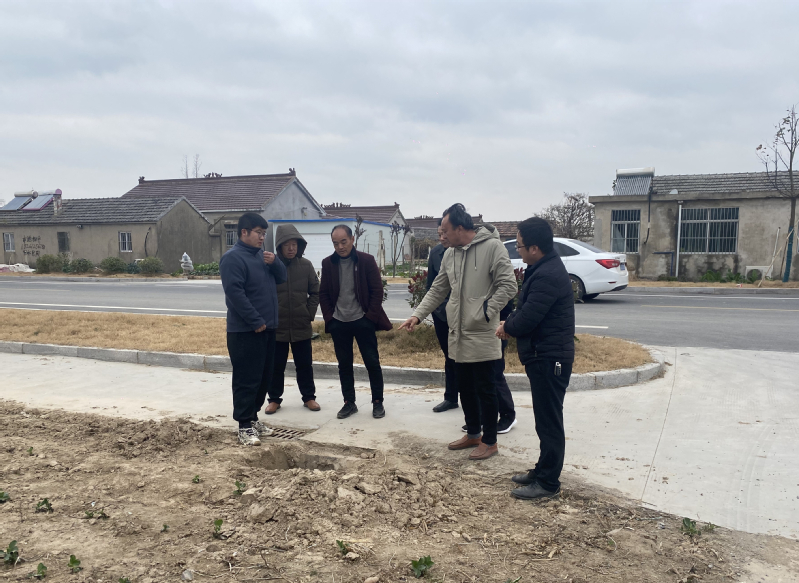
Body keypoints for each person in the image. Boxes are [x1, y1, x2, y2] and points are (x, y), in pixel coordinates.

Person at [400, 204, 517, 460]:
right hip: (457, 333)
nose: (442, 235)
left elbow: (508, 285)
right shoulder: (450, 254)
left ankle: (490, 442)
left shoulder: (493, 247)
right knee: (464, 386)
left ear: (460, 228)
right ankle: (473, 433)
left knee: (486, 389)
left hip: (482, 333)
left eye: (445, 230)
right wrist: (417, 315)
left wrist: (485, 311)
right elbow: (438, 288)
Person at [496, 217, 575, 500]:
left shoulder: (547, 274)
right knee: (544, 420)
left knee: (549, 421)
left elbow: (528, 318)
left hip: (549, 359)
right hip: (543, 356)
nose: (518, 251)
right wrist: (511, 322)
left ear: (534, 248)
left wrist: (507, 326)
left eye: (519, 246)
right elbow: (525, 308)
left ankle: (548, 483)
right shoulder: (541, 268)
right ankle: (542, 470)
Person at [219, 212, 287, 446]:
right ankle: (244, 426)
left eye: (264, 233)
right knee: (246, 379)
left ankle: (254, 418)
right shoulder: (232, 258)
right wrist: (255, 320)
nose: (261, 237)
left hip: (267, 328)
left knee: (263, 378)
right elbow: (235, 294)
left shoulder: (262, 256)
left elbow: (282, 278)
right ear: (244, 232)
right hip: (245, 331)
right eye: (258, 233)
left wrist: (275, 261)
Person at [319, 224, 393, 420]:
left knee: (372, 362)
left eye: (344, 242)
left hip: (363, 320)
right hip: (339, 322)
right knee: (344, 365)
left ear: (352, 239)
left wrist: (370, 318)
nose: (340, 247)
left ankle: (377, 402)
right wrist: (330, 318)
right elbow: (323, 293)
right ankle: (349, 403)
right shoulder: (328, 263)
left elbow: (377, 291)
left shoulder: (366, 261)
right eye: (336, 243)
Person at [267, 224, 321, 413]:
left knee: (304, 365)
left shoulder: (306, 265)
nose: (291, 249)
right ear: (279, 246)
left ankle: (309, 397)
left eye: (294, 245)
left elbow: (315, 291)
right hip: (277, 325)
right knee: (276, 366)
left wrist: (308, 313)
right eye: (286, 245)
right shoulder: (271, 266)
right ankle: (274, 399)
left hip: (301, 324)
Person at [428, 220, 458, 413]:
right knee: (449, 357)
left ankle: (474, 401)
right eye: (439, 234)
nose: (441, 238)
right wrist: (437, 311)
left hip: (463, 315)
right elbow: (432, 286)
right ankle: (451, 398)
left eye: (444, 233)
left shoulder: (467, 252)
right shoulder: (436, 253)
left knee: (467, 360)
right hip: (442, 315)